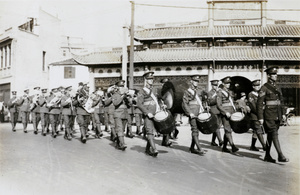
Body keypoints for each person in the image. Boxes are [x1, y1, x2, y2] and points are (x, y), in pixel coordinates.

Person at [257, 67, 289, 163]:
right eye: (273, 74)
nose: (276, 76)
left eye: (276, 74)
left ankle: (267, 156)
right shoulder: (264, 88)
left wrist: (283, 113)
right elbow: (259, 103)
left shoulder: (277, 87)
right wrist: (260, 117)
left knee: (271, 135)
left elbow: (281, 101)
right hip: (269, 114)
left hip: (278, 114)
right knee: (274, 133)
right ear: (269, 76)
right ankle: (280, 155)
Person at [137, 71, 165, 157]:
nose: (151, 80)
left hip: (155, 113)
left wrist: (162, 105)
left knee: (153, 132)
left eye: (152, 79)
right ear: (145, 80)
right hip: (148, 114)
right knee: (149, 132)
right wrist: (147, 113)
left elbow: (157, 101)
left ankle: (147, 149)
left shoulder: (154, 90)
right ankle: (154, 149)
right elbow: (139, 104)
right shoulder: (142, 91)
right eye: (149, 79)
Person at [182, 74, 206, 155]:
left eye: (197, 81)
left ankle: (192, 147)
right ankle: (199, 147)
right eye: (195, 81)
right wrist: (190, 113)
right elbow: (185, 103)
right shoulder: (187, 91)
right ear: (191, 81)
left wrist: (205, 107)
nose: (196, 82)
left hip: (199, 113)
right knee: (194, 130)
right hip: (192, 113)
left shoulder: (200, 90)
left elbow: (203, 101)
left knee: (197, 130)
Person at [216, 76, 239, 153]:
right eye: (226, 83)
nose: (228, 84)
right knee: (227, 129)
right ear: (223, 83)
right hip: (225, 113)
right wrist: (225, 112)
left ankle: (225, 147)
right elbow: (219, 105)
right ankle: (233, 146)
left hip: (231, 112)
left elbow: (232, 103)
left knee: (228, 130)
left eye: (229, 83)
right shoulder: (219, 92)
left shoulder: (229, 92)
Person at [248, 80, 266, 151]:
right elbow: (253, 106)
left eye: (259, 85)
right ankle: (264, 146)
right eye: (256, 86)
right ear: (253, 87)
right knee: (258, 130)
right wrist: (260, 113)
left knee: (255, 131)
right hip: (255, 115)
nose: (258, 87)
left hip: (261, 114)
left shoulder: (261, 94)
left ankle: (252, 146)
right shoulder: (251, 94)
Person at [111, 80, 129, 150]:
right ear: (117, 87)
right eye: (120, 86)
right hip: (118, 113)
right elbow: (115, 103)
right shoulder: (114, 95)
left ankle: (118, 143)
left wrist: (129, 98)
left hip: (124, 113)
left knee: (122, 129)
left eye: (123, 86)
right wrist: (122, 97)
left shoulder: (125, 95)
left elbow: (129, 105)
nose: (122, 87)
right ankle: (122, 143)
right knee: (119, 129)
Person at [207, 79, 223, 147]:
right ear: (212, 85)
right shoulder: (210, 93)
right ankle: (220, 140)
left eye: (216, 85)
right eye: (214, 85)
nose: (215, 86)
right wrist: (216, 96)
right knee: (216, 126)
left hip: (220, 111)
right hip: (214, 110)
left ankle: (213, 141)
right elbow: (209, 102)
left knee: (218, 126)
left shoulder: (220, 92)